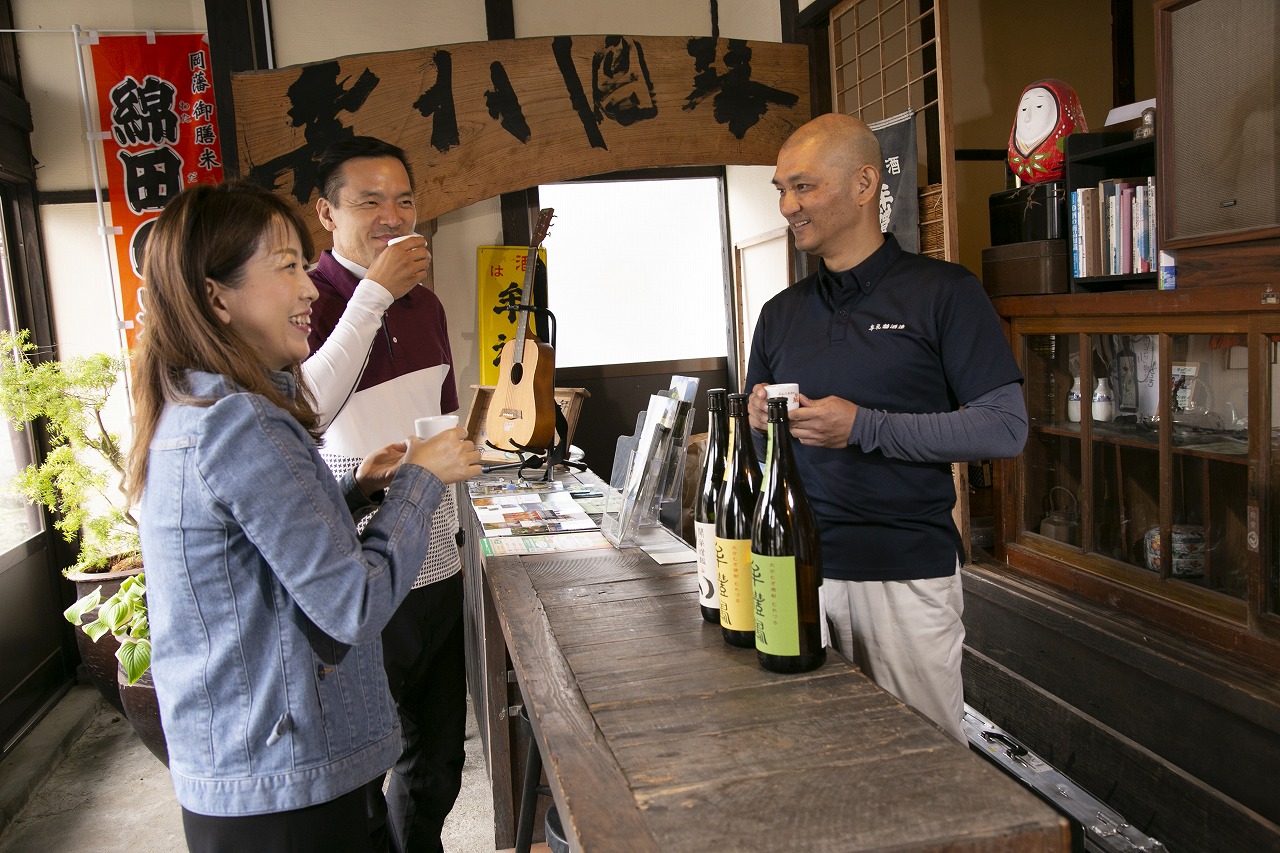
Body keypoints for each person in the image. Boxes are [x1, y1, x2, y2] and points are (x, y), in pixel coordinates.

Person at [126, 180, 482, 852]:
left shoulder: (195, 405)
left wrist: (357, 491)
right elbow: (350, 604)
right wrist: (418, 480)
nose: (310, 289)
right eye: (288, 266)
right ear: (215, 296)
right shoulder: (240, 421)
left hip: (252, 770)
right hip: (283, 783)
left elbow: (252, 538)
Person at [744, 113, 1027, 743]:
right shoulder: (779, 314)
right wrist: (758, 422)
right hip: (796, 572)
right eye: (780, 191)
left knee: (922, 765)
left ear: (865, 183)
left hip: (905, 574)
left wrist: (863, 427)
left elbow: (1004, 429)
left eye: (804, 187)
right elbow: (757, 457)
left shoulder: (944, 293)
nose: (788, 206)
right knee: (808, 759)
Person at [300, 136, 463, 853]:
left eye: (403, 199)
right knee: (368, 761)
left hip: (439, 557)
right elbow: (306, 410)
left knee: (440, 762)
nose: (391, 216)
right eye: (369, 201)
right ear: (324, 212)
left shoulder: (426, 303)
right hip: (360, 565)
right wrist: (372, 293)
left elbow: (444, 419)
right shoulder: (307, 298)